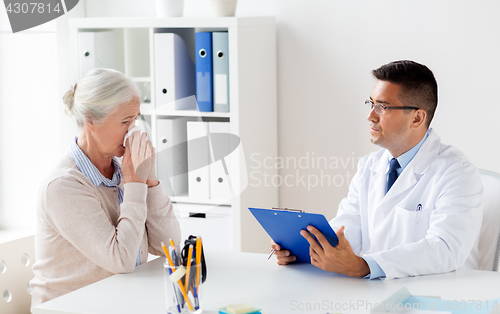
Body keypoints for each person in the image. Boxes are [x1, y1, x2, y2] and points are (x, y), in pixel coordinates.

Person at [271, 60, 483, 280]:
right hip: (381, 295)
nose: (370, 116)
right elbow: (348, 229)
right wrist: (304, 249)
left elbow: (446, 249)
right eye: (371, 103)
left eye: (383, 107)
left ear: (417, 118)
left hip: (442, 300)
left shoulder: (457, 173)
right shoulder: (369, 166)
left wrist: (365, 266)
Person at [30, 68, 181, 307]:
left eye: (136, 119)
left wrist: (150, 180)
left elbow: (168, 246)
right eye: (125, 121)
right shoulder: (63, 186)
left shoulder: (123, 170)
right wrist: (134, 184)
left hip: (119, 301)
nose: (134, 130)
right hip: (71, 308)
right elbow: (123, 260)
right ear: (90, 120)